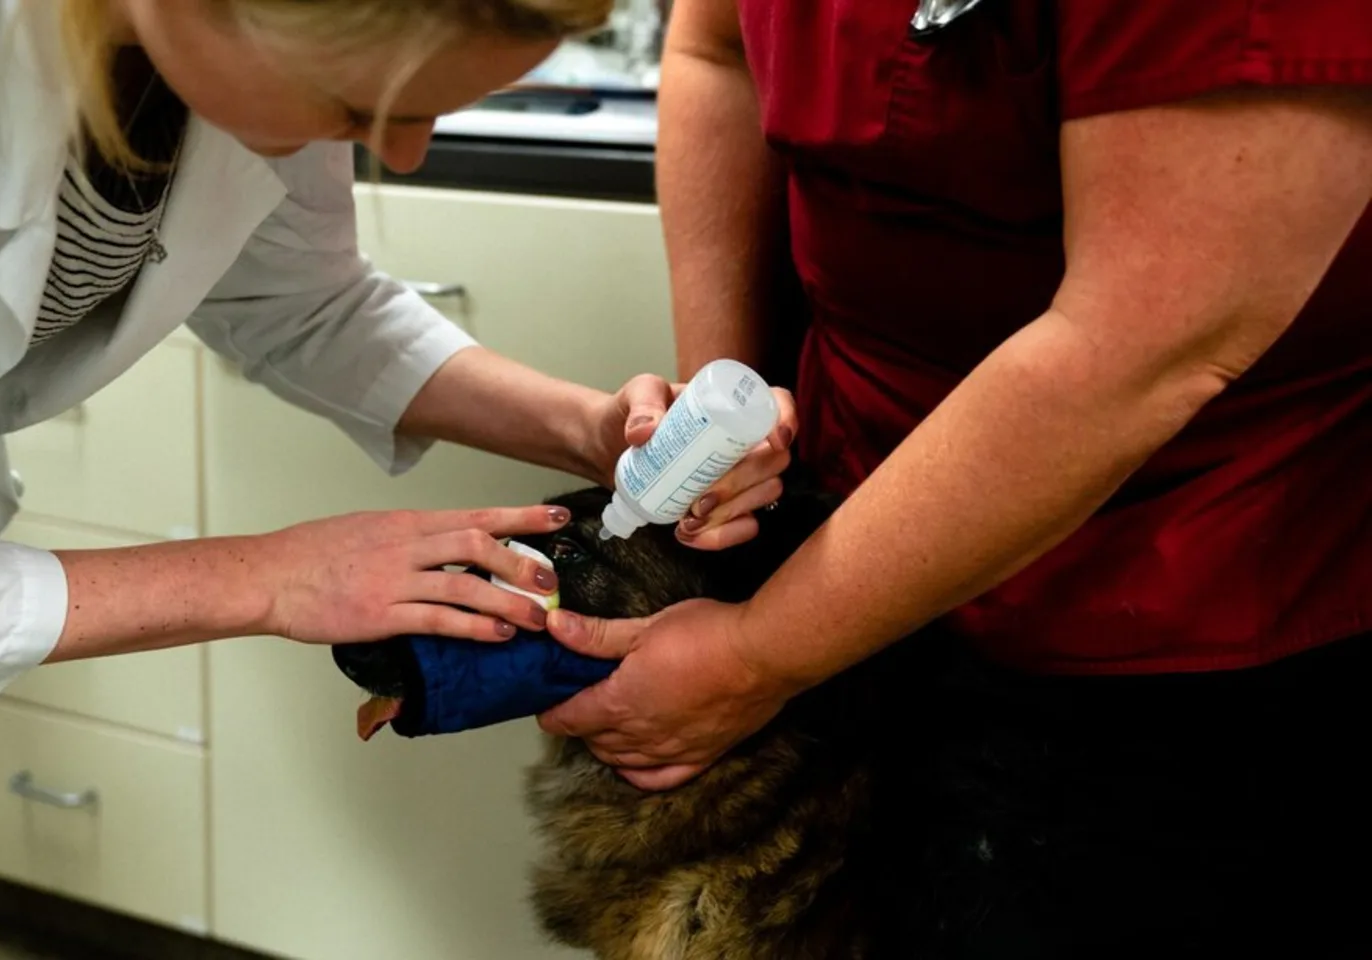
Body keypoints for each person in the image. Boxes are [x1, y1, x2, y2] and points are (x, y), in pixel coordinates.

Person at [0, 0, 794, 952]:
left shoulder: (260, 46)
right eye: (361, 111)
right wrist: (271, 576)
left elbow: (304, 303)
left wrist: (588, 432)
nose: (399, 153)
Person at [539, 0, 1372, 956]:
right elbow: (716, 48)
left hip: (1166, 596)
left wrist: (754, 658)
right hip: (840, 519)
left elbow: (1140, 351)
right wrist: (727, 413)